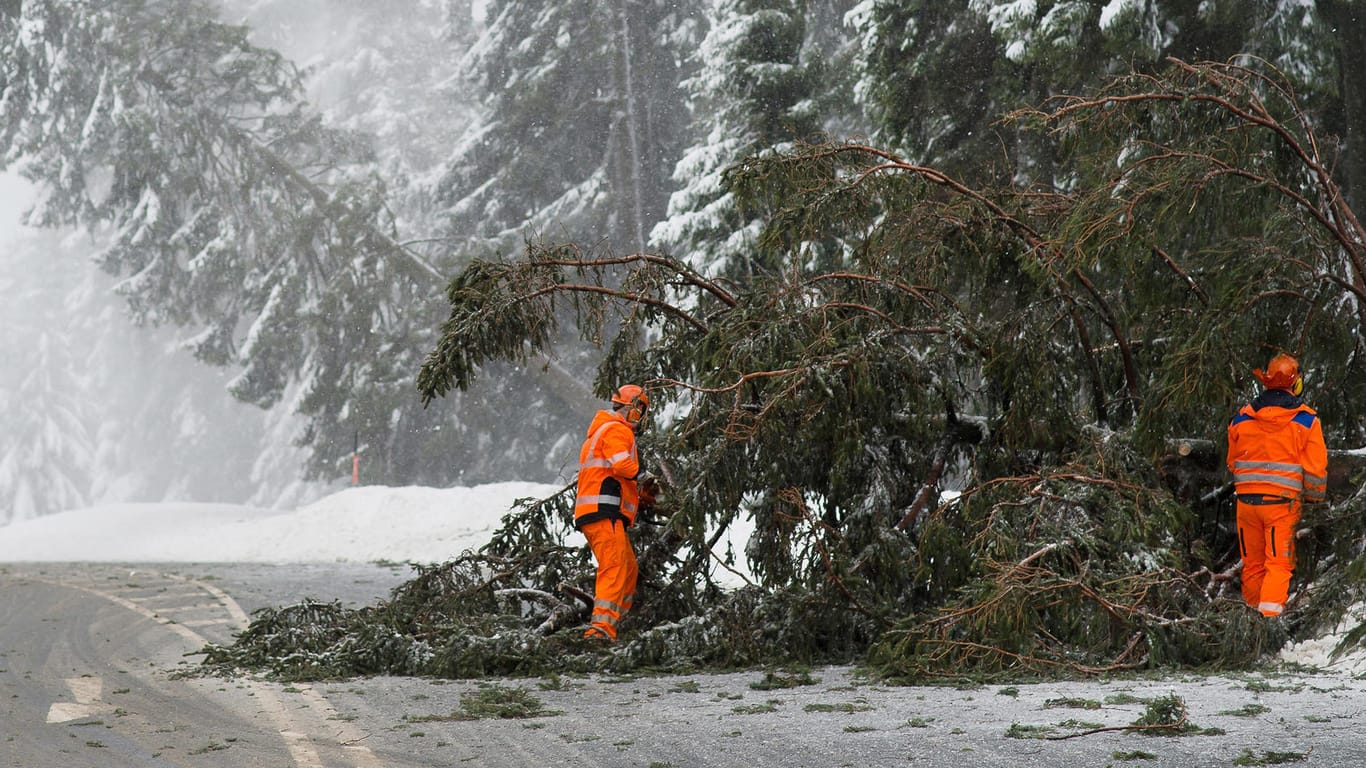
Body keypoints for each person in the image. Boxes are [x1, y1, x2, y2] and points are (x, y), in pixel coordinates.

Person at [1226, 353, 1328, 618]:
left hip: (1246, 504)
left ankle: (1250, 626)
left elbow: (1232, 462)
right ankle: (1268, 623)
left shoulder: (1241, 419)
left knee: (1253, 565)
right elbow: (1316, 470)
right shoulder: (1306, 421)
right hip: (1282, 506)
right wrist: (1315, 500)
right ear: (1296, 384)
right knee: (1278, 565)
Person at [573, 384, 649, 641]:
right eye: (642, 411)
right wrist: (644, 476)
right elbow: (621, 466)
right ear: (633, 410)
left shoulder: (603, 429)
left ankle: (616, 621)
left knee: (628, 567)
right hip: (603, 511)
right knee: (614, 566)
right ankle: (600, 630)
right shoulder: (617, 429)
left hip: (600, 511)